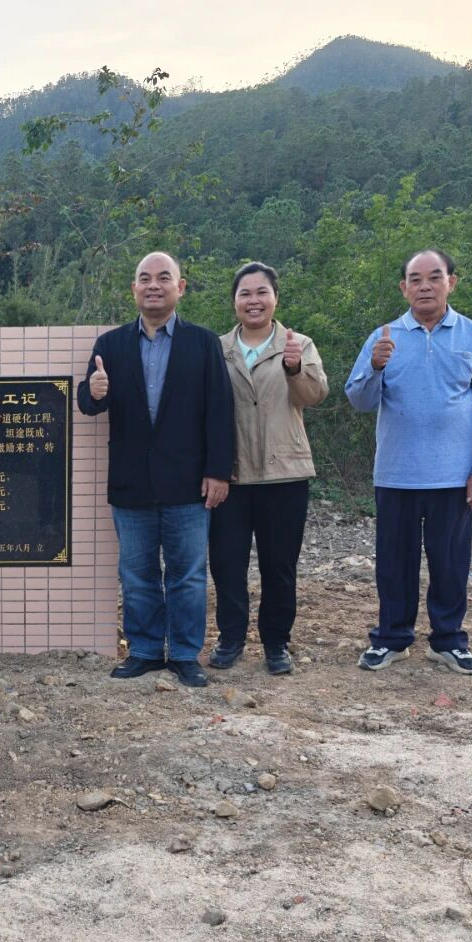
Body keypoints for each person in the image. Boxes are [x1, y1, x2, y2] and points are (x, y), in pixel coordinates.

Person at [77, 251, 234, 687]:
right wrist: (93, 390)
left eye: (164, 278)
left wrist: (219, 471)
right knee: (137, 575)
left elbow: (220, 411)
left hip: (189, 484)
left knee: (188, 576)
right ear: (134, 289)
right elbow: (88, 403)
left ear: (180, 288)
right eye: (144, 278)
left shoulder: (203, 343)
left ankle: (184, 654)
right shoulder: (110, 346)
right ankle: (145, 650)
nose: (153, 285)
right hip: (132, 484)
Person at [345, 248, 472, 674]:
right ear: (404, 288)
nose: (425, 286)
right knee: (394, 563)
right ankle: (391, 639)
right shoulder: (384, 337)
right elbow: (359, 400)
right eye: (415, 279)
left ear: (452, 282)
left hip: (453, 475)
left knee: (450, 563)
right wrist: (374, 367)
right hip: (396, 472)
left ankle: (448, 641)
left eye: (435, 277)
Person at [208, 263, 329, 675]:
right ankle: (230, 638)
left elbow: (315, 395)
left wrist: (295, 368)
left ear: (275, 298)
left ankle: (277, 643)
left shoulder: (298, 344)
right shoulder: (217, 349)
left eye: (262, 292)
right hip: (231, 475)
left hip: (285, 474)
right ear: (234, 301)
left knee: (279, 566)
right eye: (245, 293)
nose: (253, 300)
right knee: (227, 564)